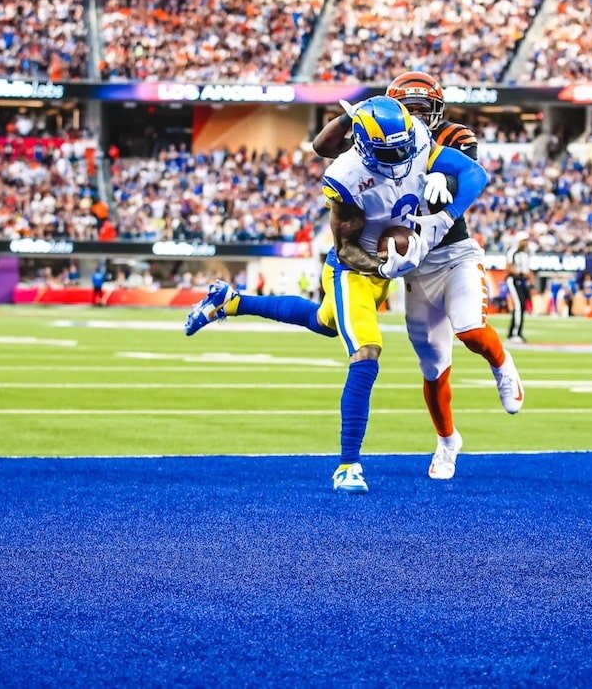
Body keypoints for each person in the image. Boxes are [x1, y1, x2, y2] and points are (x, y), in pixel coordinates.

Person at [183, 95, 491, 493]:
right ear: (360, 145)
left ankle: (231, 301)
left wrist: (442, 202)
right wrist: (385, 266)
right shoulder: (346, 176)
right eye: (388, 151)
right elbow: (346, 248)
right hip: (354, 268)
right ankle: (348, 465)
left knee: (324, 321)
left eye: (403, 147)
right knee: (366, 352)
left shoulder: (414, 134)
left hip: (387, 262)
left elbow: (473, 173)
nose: (400, 156)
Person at [309, 71, 525, 477]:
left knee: (470, 330)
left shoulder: (440, 138)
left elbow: (471, 173)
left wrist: (444, 196)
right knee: (432, 362)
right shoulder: (381, 140)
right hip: (414, 261)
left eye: (423, 111)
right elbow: (324, 148)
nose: (416, 118)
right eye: (408, 111)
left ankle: (501, 363)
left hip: (453, 250)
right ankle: (447, 442)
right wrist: (353, 116)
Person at [505, 232, 534, 342]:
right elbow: (508, 267)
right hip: (514, 280)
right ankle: (514, 334)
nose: (526, 242)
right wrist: (521, 273)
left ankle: (515, 332)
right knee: (518, 306)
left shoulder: (526, 253)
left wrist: (530, 282)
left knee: (521, 306)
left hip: (523, 282)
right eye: (524, 240)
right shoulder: (513, 251)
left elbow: (529, 270)